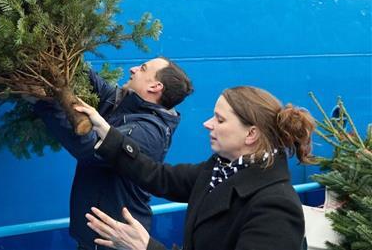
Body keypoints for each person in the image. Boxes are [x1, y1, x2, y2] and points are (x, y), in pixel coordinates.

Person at [76, 86, 316, 250]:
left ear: (251, 134)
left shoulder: (276, 207)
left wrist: (146, 247)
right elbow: (160, 177)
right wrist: (107, 133)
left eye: (220, 120)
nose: (207, 124)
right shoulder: (220, 170)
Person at [33, 57, 193, 250]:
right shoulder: (124, 101)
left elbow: (89, 148)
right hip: (93, 235)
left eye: (143, 68)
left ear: (155, 86)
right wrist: (63, 55)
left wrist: (43, 102)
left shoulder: (149, 132)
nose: (133, 69)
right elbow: (90, 80)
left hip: (115, 240)